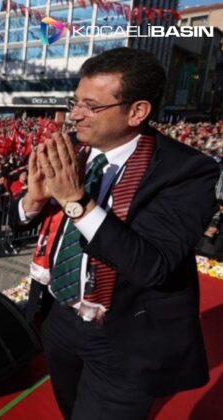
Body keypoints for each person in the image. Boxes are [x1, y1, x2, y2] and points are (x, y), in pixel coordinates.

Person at [12, 48, 217, 419]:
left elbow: (154, 265)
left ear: (137, 111)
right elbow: (21, 222)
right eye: (75, 102)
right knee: (70, 408)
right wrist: (33, 201)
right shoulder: (71, 152)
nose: (75, 115)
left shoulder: (187, 171)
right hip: (59, 317)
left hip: (125, 333)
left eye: (91, 106)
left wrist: (77, 201)